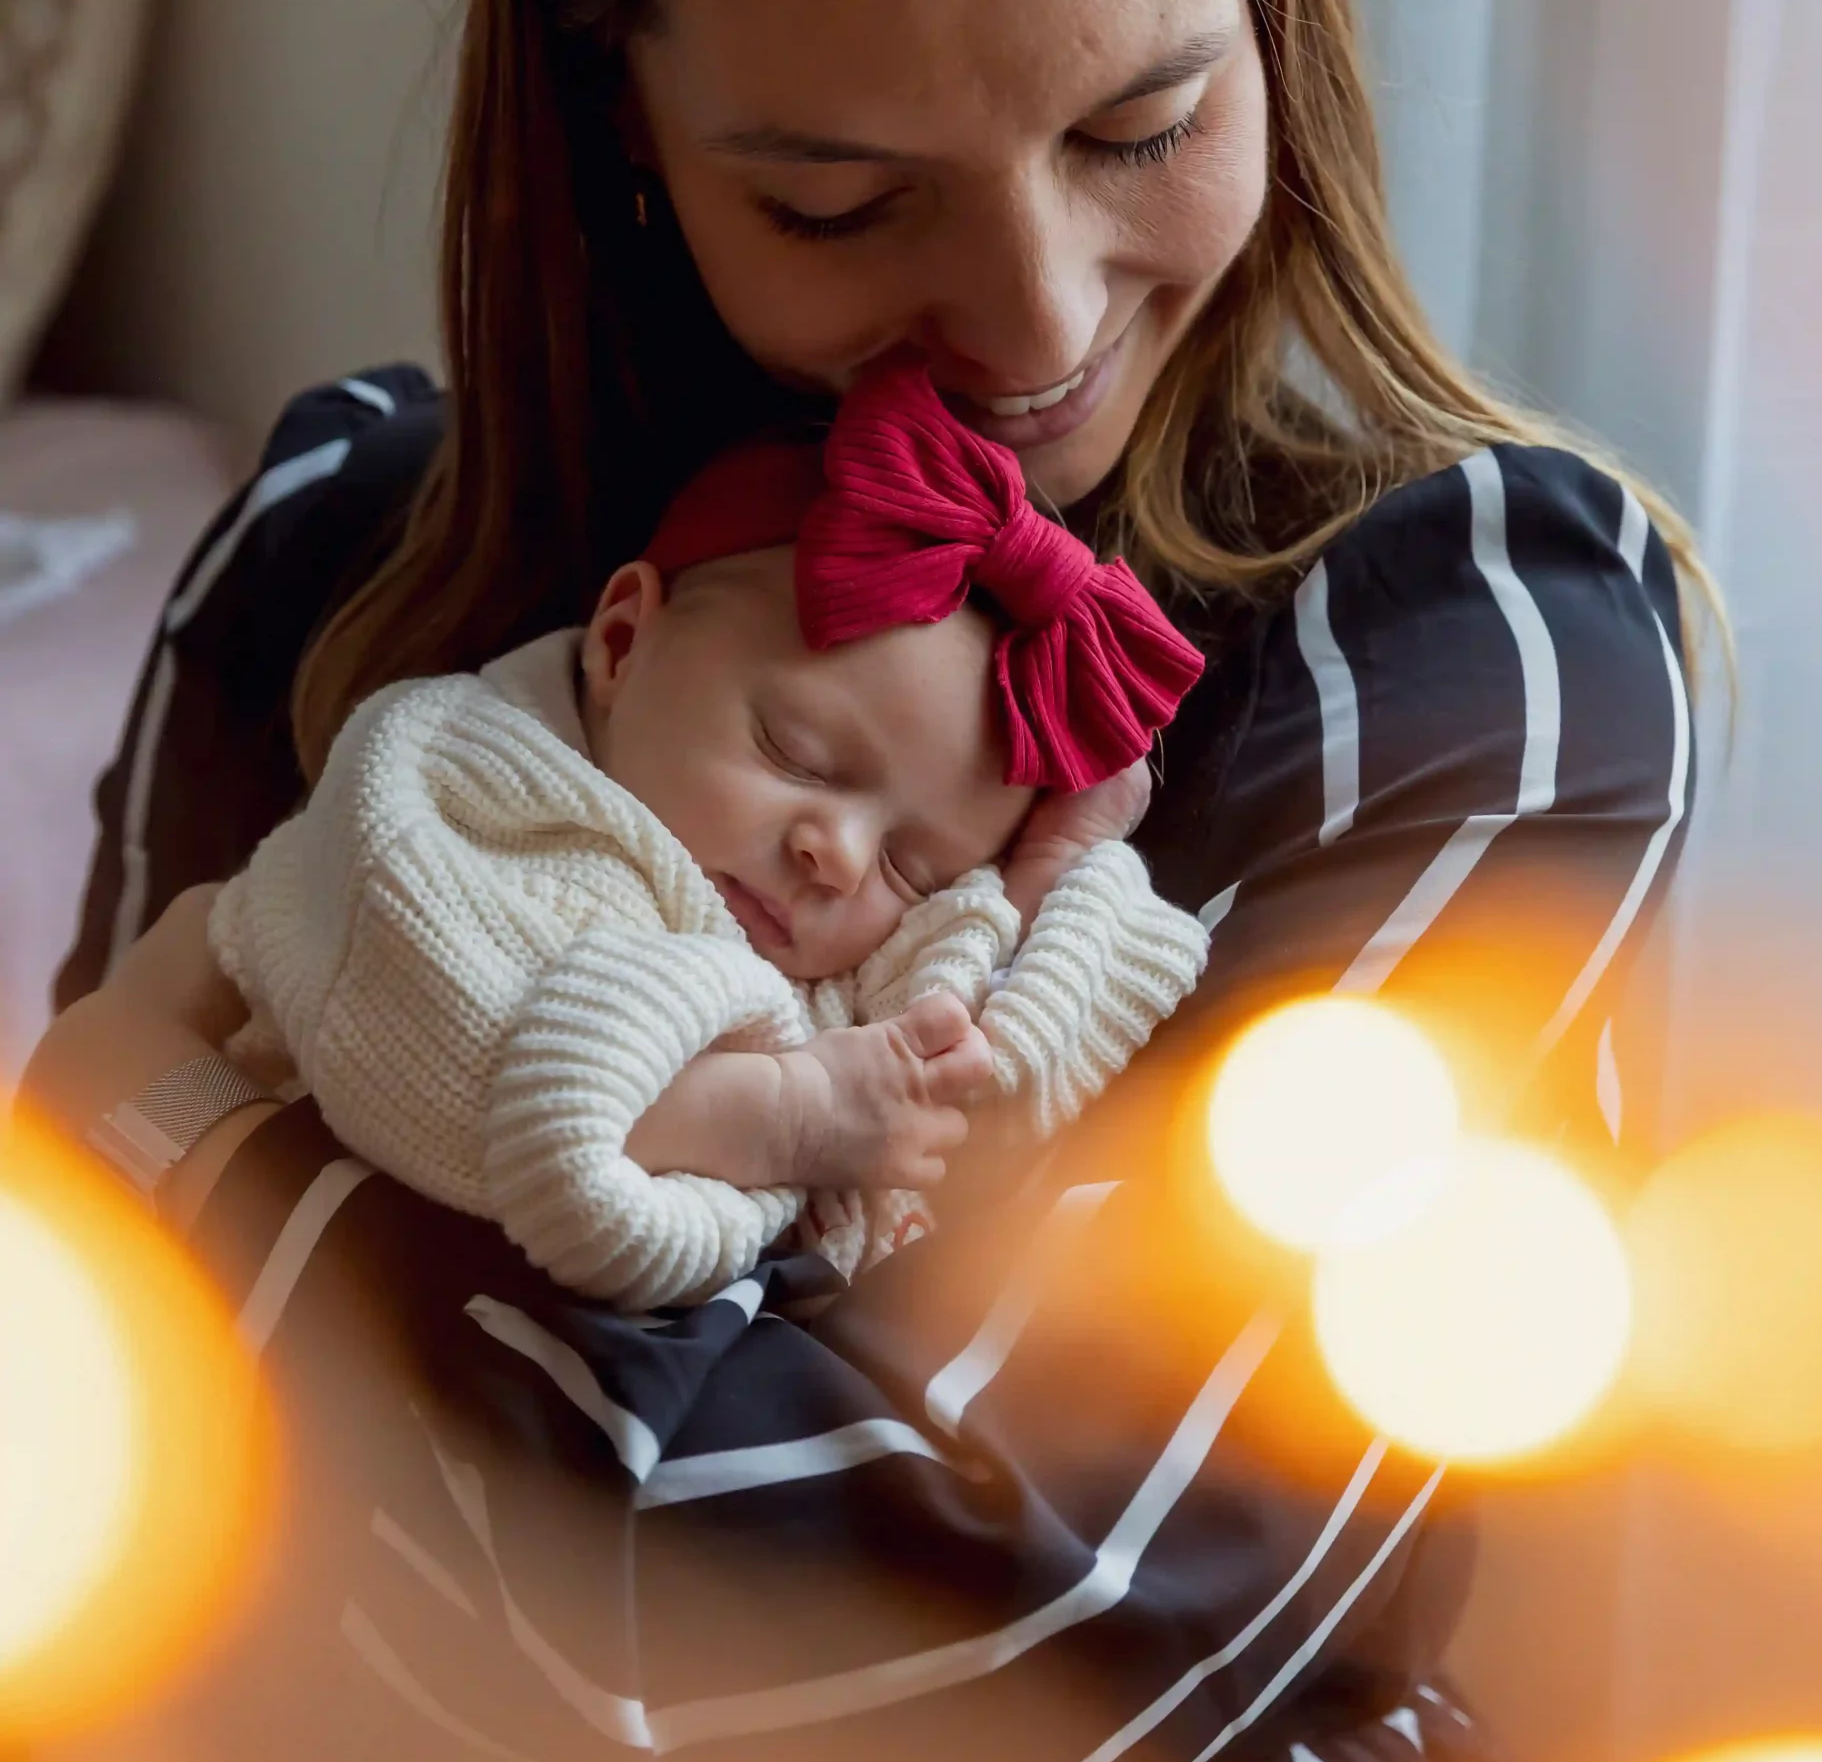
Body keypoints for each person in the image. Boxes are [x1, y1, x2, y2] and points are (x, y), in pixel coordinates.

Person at [12, 0, 1703, 1762]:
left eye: (1143, 121)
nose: (1033, 321)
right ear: (621, 140)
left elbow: (769, 1650)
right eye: (839, 199)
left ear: (1272, 3)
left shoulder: (1472, 650)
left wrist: (210, 1142)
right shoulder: (328, 569)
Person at [205, 358, 1209, 1310]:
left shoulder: (823, 939)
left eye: (915, 865)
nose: (843, 856)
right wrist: (790, 1116)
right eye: (798, 754)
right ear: (623, 641)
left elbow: (976, 1078)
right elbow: (461, 1068)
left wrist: (1052, 868)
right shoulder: (447, 777)